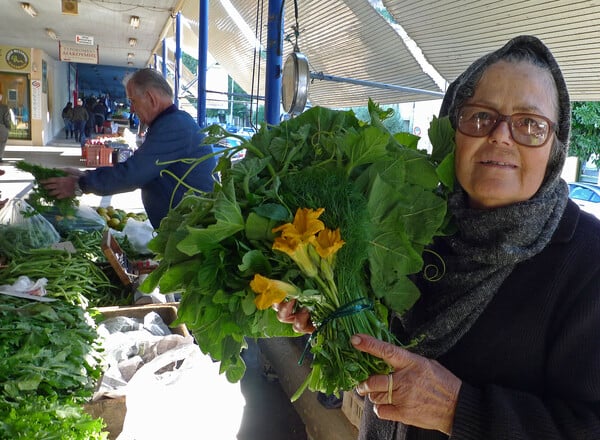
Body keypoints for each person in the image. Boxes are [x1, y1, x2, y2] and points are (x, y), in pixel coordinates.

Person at [276, 35, 600, 439]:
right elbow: (383, 350)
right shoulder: (411, 222)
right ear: (453, 131)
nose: (500, 135)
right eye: (480, 116)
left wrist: (456, 409)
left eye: (530, 124)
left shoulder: (589, 262)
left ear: (554, 147)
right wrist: (332, 316)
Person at [41, 68, 218, 229]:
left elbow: (134, 173)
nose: (132, 108)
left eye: (133, 100)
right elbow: (141, 168)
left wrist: (80, 185)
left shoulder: (175, 126)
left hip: (192, 230)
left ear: (151, 98)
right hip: (182, 228)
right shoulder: (171, 123)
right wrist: (85, 176)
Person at [0, 93, 12, 162]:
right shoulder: (4, 107)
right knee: (2, 143)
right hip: (2, 127)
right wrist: (8, 127)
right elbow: (6, 119)